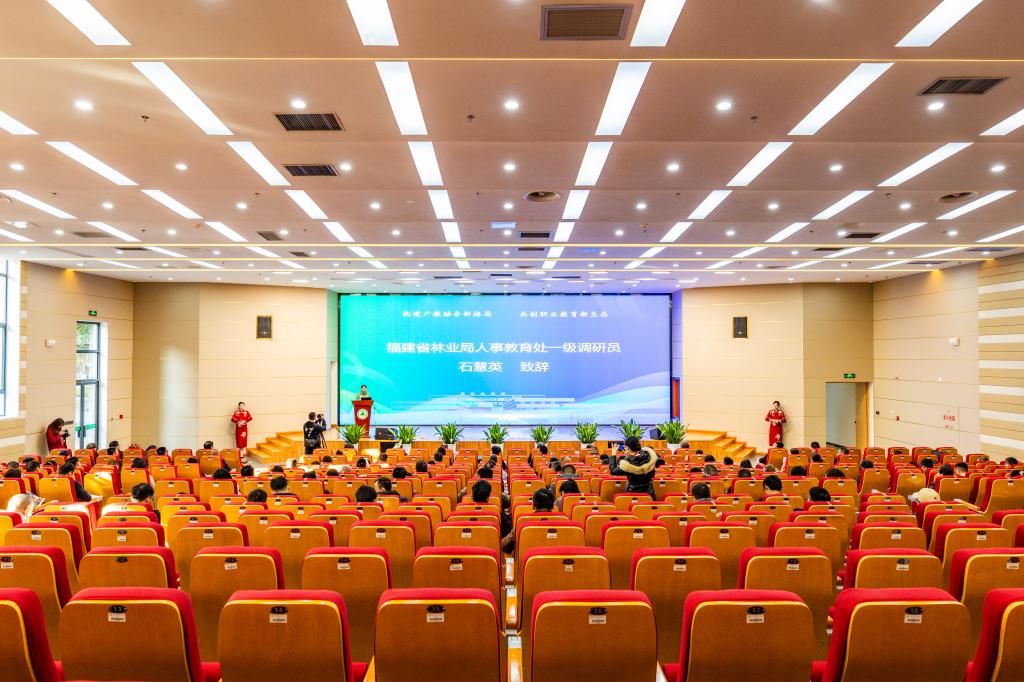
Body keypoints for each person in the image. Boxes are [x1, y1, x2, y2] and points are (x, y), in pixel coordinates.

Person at [501, 488, 554, 553]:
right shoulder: (563, 520)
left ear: (533, 506)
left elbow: (504, 546)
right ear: (552, 506)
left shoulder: (523, 522)